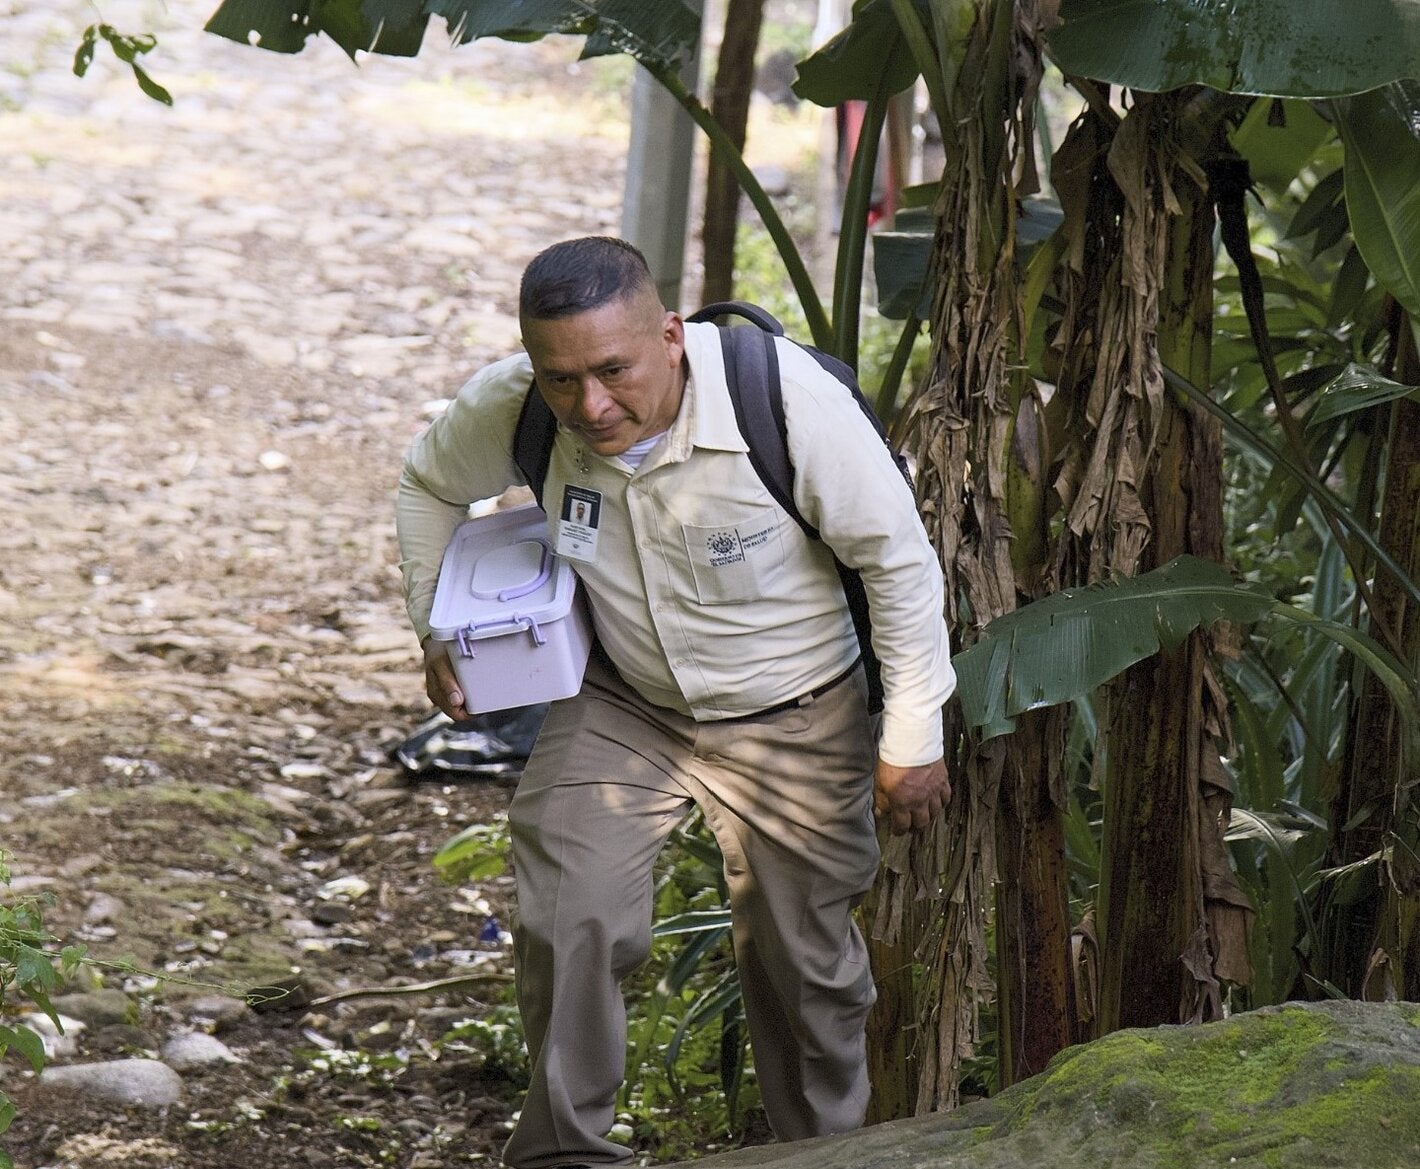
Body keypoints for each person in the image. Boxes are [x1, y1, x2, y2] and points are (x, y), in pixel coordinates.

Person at [397, 236, 954, 1169]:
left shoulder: (785, 403)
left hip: (796, 707)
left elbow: (897, 564)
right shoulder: (518, 405)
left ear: (669, 335)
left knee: (805, 969)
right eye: (562, 379)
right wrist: (435, 625)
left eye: (613, 371)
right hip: (625, 699)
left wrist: (912, 735)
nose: (590, 405)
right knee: (567, 912)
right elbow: (427, 481)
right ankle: (564, 1154)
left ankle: (820, 1154)